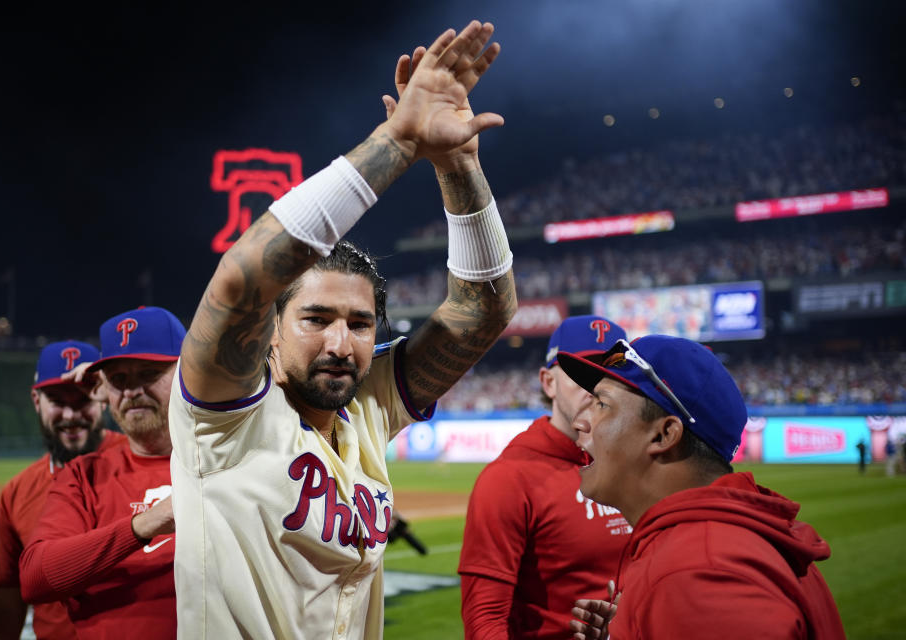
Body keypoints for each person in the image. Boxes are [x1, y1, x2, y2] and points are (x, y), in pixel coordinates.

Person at [169, 20, 516, 639]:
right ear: (271, 331)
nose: (339, 343)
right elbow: (241, 280)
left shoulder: (368, 405)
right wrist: (398, 139)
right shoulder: (223, 413)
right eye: (315, 318)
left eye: (359, 324)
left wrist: (458, 166)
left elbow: (484, 310)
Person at [558, 336, 845, 639]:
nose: (579, 422)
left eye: (603, 404)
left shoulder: (700, 574)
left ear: (664, 434)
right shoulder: (713, 551)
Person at [458, 315, 630, 639]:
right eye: (583, 373)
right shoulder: (509, 479)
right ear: (548, 382)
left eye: (612, 374)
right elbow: (485, 620)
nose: (598, 387)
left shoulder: (635, 466)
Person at [19, 307, 183, 639]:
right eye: (119, 379)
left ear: (187, 374)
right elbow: (35, 577)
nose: (131, 390)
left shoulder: (223, 460)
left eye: (148, 374)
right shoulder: (84, 476)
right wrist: (148, 523)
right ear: (104, 391)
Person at [0, 341, 125, 640]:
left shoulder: (141, 460)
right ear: (36, 401)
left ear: (101, 398)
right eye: (57, 400)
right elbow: (8, 595)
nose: (71, 415)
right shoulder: (17, 492)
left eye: (82, 399)